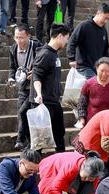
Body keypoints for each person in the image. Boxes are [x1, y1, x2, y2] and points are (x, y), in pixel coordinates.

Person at [19, 24, 71, 152]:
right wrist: (38, 94)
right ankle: (32, 167)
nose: (67, 41)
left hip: (53, 101)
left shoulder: (53, 53)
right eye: (66, 38)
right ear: (59, 36)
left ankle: (61, 164)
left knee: (59, 134)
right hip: (43, 102)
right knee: (39, 141)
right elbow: (37, 76)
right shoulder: (46, 54)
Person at [8, 24, 42, 149]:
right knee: (21, 112)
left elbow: (44, 63)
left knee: (23, 112)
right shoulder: (13, 49)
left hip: (35, 87)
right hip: (22, 85)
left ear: (28, 36)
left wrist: (36, 72)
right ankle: (23, 139)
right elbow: (12, 66)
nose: (19, 41)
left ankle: (22, 139)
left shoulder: (37, 47)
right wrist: (11, 77)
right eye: (16, 37)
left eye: (22, 38)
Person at [67, 3, 109, 78]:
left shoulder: (104, 30)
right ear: (98, 13)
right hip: (83, 66)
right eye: (105, 18)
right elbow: (72, 41)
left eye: (108, 19)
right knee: (95, 82)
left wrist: (108, 66)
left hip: (98, 67)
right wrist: (71, 58)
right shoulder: (84, 26)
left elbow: (105, 51)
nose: (106, 21)